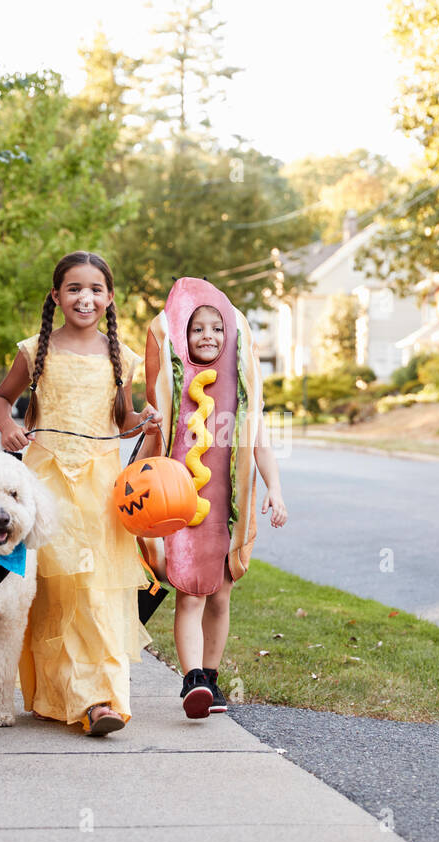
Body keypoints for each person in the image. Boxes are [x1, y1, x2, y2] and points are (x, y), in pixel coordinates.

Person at [0, 251, 160, 737]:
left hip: (102, 491)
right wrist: (7, 428)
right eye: (74, 289)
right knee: (54, 592)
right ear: (56, 296)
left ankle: (100, 699)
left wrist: (144, 420)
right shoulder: (33, 351)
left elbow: (122, 420)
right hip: (47, 487)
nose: (85, 298)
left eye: (96, 290)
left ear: (109, 298)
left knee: (96, 591)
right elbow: (1, 401)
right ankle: (55, 696)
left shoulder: (120, 357)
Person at [139, 278, 288, 719]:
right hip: (181, 508)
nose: (208, 337)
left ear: (232, 336)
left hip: (228, 513)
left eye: (217, 329)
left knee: (221, 596)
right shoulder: (172, 397)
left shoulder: (243, 398)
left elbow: (261, 446)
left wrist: (275, 490)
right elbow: (149, 454)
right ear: (182, 337)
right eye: (197, 329)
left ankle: (212, 677)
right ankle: (192, 681)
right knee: (191, 594)